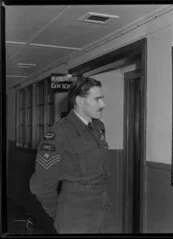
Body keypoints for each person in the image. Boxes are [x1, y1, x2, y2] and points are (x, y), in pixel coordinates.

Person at [29, 76, 113, 233]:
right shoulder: (59, 132)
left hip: (101, 207)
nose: (103, 104)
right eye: (97, 99)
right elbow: (41, 185)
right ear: (80, 101)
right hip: (75, 212)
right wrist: (58, 213)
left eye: (102, 98)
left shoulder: (98, 127)